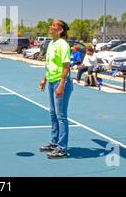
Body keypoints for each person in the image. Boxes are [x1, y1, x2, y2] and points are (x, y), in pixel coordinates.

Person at [39, 20, 73, 159]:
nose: (50, 27)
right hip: (52, 81)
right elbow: (50, 65)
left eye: (54, 26)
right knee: (53, 115)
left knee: (61, 117)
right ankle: (54, 143)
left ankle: (62, 148)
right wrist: (44, 79)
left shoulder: (63, 44)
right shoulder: (51, 43)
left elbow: (66, 66)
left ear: (60, 30)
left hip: (61, 82)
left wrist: (61, 85)